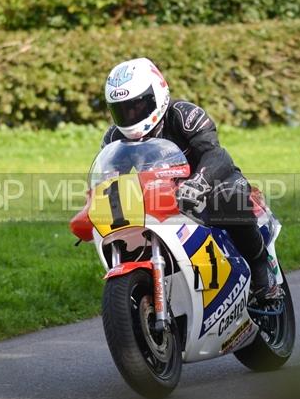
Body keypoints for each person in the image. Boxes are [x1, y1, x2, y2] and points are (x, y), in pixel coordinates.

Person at [101, 57, 284, 303]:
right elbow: (111, 182)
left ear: (158, 94)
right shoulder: (114, 138)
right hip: (160, 200)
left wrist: (198, 182)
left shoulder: (184, 115)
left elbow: (216, 154)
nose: (131, 115)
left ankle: (262, 270)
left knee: (230, 198)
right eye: (122, 110)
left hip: (210, 185)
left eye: (137, 106)